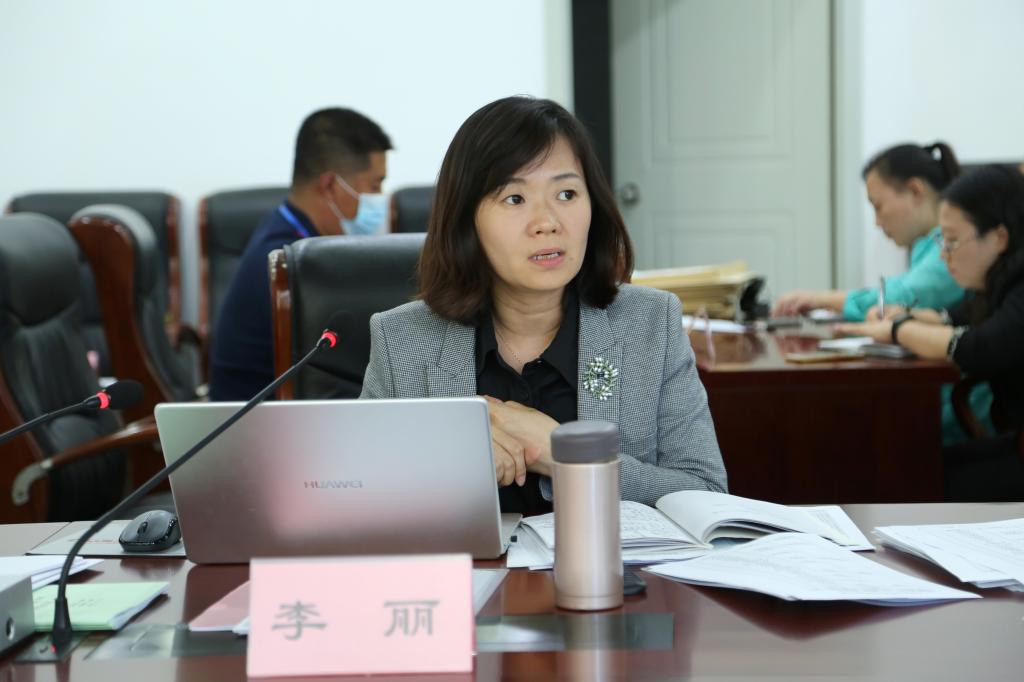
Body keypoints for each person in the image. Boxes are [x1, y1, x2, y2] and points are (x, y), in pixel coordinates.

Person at [360, 96, 727, 514]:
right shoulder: (402, 341)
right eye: (515, 199)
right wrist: (451, 457)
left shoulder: (650, 323)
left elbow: (706, 494)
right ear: (466, 220)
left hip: (608, 560)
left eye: (567, 193)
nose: (548, 222)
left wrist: (560, 453)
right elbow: (359, 498)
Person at [836, 165, 1024, 501]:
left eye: (952, 241)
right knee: (903, 466)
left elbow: (980, 347)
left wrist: (898, 329)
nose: (943, 254)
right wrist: (908, 315)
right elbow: (957, 317)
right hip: (1012, 443)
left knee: (910, 480)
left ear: (999, 237)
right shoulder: (999, 284)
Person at [210, 108, 392, 401]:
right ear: (330, 186)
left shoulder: (289, 234)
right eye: (375, 185)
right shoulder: (290, 265)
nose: (380, 199)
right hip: (254, 425)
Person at [774, 142, 965, 321]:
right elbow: (901, 289)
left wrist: (820, 299)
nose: (877, 223)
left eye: (878, 206)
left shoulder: (956, 249)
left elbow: (903, 295)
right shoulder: (928, 247)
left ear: (915, 191)